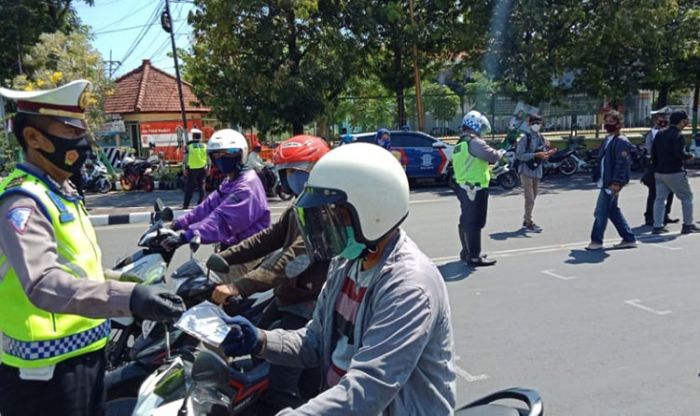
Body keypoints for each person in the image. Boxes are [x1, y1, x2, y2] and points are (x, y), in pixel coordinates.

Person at [220, 143, 455, 415]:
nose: (324, 226)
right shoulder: (346, 262)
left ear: (371, 211)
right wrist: (260, 340)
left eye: (333, 215)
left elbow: (369, 388)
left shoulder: (409, 286)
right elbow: (314, 341)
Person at [0, 80, 185, 416]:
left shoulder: (60, 191)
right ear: (33, 137)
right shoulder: (22, 201)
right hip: (44, 373)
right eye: (71, 132)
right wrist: (127, 298)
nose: (84, 141)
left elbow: (78, 269)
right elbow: (42, 283)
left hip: (84, 355)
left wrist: (132, 282)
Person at [208, 135, 331, 414]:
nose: (291, 178)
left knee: (279, 386)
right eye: (286, 172)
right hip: (288, 296)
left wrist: (239, 286)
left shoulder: (324, 209)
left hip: (307, 305)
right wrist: (225, 257)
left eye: (298, 171)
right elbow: (270, 238)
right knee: (254, 351)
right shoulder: (302, 203)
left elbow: (292, 259)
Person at [168, 129, 271, 278]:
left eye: (228, 154)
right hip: (233, 250)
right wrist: (178, 224)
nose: (222, 159)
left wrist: (187, 236)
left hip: (249, 255)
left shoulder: (246, 185)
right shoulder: (230, 180)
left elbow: (222, 219)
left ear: (241, 154)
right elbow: (208, 206)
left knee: (203, 285)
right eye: (217, 155)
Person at [453, 110, 505, 266]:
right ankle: (475, 256)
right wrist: (501, 153)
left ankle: (466, 252)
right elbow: (493, 156)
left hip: (464, 187)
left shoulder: (460, 144)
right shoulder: (474, 142)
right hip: (475, 189)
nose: (482, 132)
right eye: (481, 128)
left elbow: (471, 165)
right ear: (474, 125)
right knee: (475, 223)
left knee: (466, 221)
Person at [585, 110, 637, 250]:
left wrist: (616, 182)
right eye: (606, 121)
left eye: (611, 122)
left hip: (612, 183)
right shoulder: (608, 139)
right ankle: (628, 238)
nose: (607, 124)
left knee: (600, 212)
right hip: (605, 180)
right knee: (612, 210)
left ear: (619, 124)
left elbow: (622, 164)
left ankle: (596, 241)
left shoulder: (621, 141)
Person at [650, 110, 700, 234]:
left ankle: (657, 225)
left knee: (659, 199)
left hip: (660, 171)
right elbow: (679, 154)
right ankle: (688, 224)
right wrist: (689, 156)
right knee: (687, 197)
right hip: (674, 171)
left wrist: (656, 167)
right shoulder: (678, 135)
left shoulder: (660, 134)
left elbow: (653, 153)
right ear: (681, 121)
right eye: (685, 120)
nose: (687, 123)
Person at [515, 114, 555, 232]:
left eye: (538, 123)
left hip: (537, 170)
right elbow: (519, 155)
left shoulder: (541, 138)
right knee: (530, 198)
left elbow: (543, 155)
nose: (536, 125)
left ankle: (526, 219)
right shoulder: (525, 138)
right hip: (526, 171)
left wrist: (548, 154)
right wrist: (534, 155)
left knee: (534, 197)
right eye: (534, 123)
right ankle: (528, 222)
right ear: (529, 125)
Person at [642, 107, 677, 226]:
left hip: (669, 167)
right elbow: (651, 151)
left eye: (667, 117)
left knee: (670, 192)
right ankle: (650, 216)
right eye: (662, 117)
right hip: (656, 166)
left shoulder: (671, 133)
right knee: (654, 193)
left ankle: (665, 214)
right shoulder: (651, 134)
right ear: (656, 119)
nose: (665, 120)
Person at [182, 128, 207, 209]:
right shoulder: (204, 145)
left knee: (190, 187)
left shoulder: (189, 146)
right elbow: (208, 157)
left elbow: (185, 158)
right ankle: (201, 204)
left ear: (193, 136)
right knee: (201, 187)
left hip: (192, 168)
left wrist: (184, 168)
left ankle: (186, 205)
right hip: (202, 168)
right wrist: (209, 167)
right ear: (200, 137)